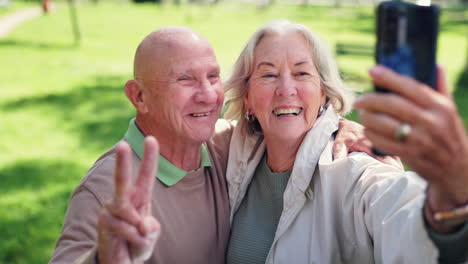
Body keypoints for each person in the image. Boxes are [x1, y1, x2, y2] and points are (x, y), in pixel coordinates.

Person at [49, 26, 381, 264]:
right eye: (185, 79)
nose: (208, 95)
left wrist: (337, 126)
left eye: (212, 76)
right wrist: (102, 258)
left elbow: (283, 121)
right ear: (139, 96)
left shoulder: (224, 147)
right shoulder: (106, 190)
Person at [222, 19, 468, 263]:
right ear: (247, 98)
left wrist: (451, 195)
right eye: (269, 74)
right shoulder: (228, 153)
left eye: (301, 73)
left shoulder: (352, 171)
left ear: (323, 93)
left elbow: (407, 224)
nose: (286, 89)